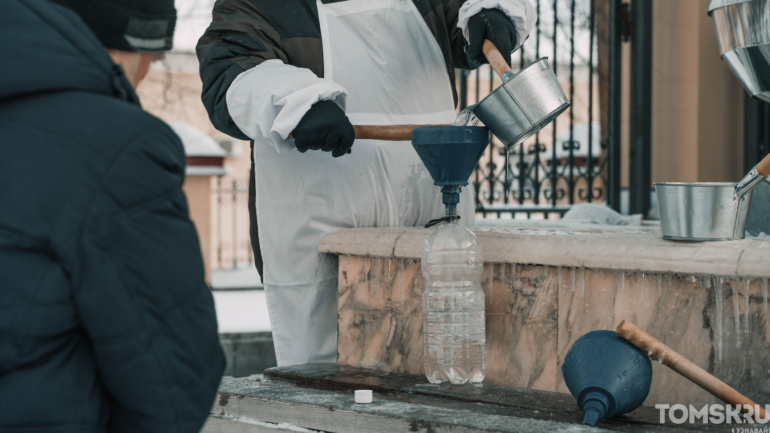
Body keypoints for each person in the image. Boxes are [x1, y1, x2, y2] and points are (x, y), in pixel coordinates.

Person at [197, 0, 536, 367]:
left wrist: (494, 13)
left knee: (444, 364)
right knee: (332, 385)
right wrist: (295, 103)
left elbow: (471, 9)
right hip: (323, 235)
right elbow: (229, 68)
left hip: (434, 213)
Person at [0, 0, 225, 432]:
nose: (145, 79)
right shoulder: (116, 152)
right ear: (127, 46)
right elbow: (171, 382)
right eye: (153, 59)